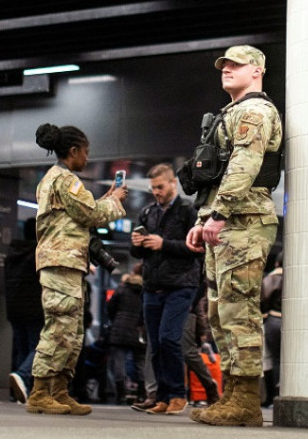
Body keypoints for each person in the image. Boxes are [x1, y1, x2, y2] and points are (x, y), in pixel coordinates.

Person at [185, 45, 283, 427]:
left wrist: (220, 213)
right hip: (225, 220)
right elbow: (217, 173)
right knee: (219, 310)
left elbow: (245, 164)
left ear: (257, 70)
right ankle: (231, 395)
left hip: (244, 221)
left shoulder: (255, 112)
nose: (226, 70)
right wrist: (203, 217)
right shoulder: (232, 112)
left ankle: (245, 401)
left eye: (236, 65)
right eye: (224, 65)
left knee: (238, 310)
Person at [24, 123, 127, 415]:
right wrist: (116, 202)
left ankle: (59, 390)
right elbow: (91, 214)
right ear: (73, 151)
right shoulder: (65, 180)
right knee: (59, 328)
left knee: (71, 330)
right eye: (86, 152)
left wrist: (108, 198)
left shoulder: (52, 179)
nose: (88, 157)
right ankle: (41, 391)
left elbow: (80, 214)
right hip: (61, 263)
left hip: (66, 263)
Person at [131, 163, 202, 415]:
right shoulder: (148, 212)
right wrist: (137, 244)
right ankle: (161, 396)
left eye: (160, 187)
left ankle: (178, 394)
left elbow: (196, 248)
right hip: (152, 285)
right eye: (153, 189)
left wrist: (164, 244)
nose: (157, 192)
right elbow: (137, 254)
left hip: (181, 284)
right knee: (156, 344)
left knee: (169, 339)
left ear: (173, 183)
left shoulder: (189, 211)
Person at [5, 233, 44, 404]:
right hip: (34, 308)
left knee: (22, 348)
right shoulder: (36, 254)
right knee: (39, 347)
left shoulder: (11, 255)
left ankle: (22, 391)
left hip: (13, 308)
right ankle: (22, 375)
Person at [106, 265, 147, 406]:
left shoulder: (122, 289)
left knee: (119, 362)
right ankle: (142, 394)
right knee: (140, 362)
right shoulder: (145, 291)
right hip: (138, 329)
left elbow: (110, 307)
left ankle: (121, 395)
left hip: (120, 328)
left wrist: (115, 320)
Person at [261, 252, 282, 407]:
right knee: (284, 360)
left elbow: (263, 301)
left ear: (276, 263)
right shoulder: (294, 278)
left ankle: (272, 398)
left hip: (273, 320)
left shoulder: (270, 278)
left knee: (271, 360)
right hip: (290, 323)